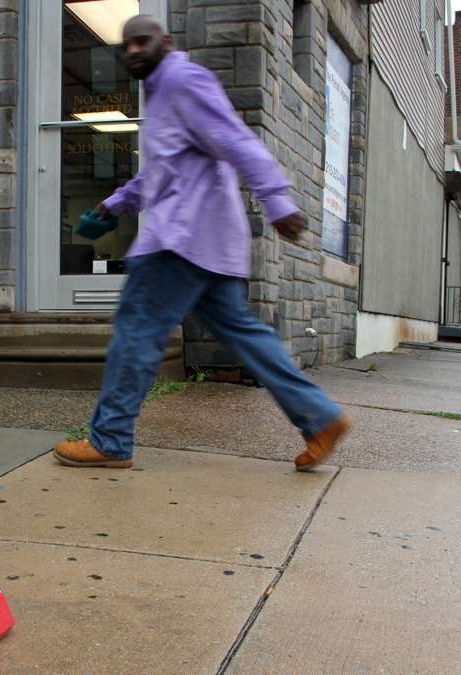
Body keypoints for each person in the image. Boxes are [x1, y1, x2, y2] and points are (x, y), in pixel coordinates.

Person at [53, 15, 351, 472]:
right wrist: (115, 205)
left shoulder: (182, 80)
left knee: (136, 336)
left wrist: (276, 201)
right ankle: (321, 418)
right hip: (213, 244)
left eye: (142, 41)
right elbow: (163, 171)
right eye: (127, 44)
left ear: (166, 43)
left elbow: (235, 139)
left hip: (178, 241)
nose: (133, 50)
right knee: (246, 335)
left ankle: (110, 439)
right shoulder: (161, 94)